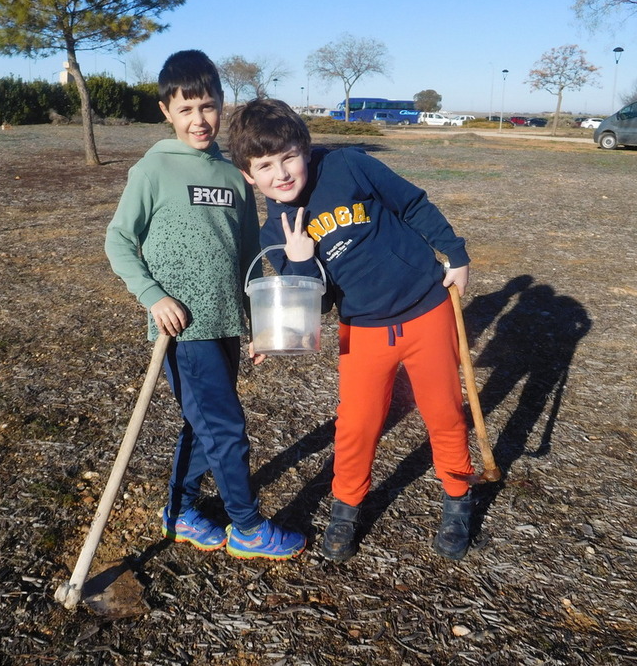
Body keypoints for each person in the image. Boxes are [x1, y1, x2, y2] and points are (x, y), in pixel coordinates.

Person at [227, 97, 476, 562]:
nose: (280, 173)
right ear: (248, 175)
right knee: (358, 424)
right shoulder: (273, 235)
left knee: (443, 409)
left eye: (287, 157)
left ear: (304, 147)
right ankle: (346, 507)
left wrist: (455, 253)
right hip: (361, 329)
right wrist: (299, 264)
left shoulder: (348, 166)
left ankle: (459, 495)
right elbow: (314, 308)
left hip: (426, 307)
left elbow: (412, 203)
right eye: (264, 166)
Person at [104, 52, 305, 561]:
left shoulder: (234, 175)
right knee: (226, 427)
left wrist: (258, 322)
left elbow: (245, 254)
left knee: (204, 424)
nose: (200, 120)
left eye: (209, 107)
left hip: (223, 324)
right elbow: (119, 241)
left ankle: (181, 511)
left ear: (222, 107)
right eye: (187, 108)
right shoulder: (152, 169)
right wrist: (153, 296)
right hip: (182, 330)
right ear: (165, 110)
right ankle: (246, 525)